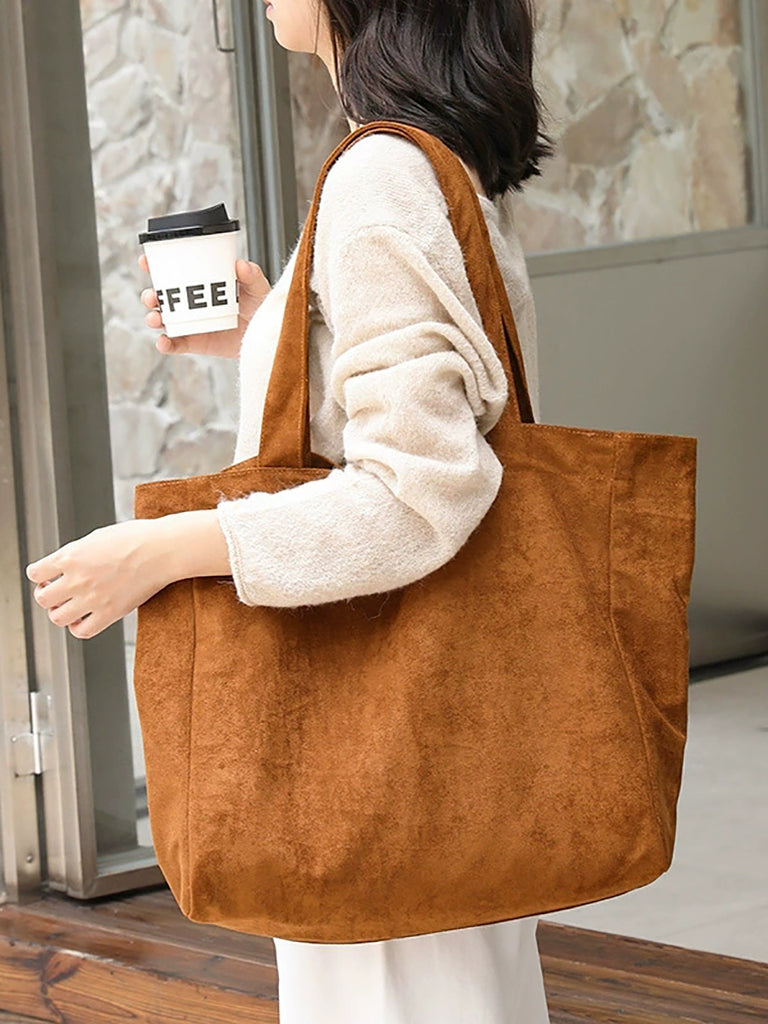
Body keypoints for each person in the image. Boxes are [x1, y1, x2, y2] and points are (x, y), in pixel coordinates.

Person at [26, 0, 554, 1020]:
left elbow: (420, 487)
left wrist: (163, 550)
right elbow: (433, 420)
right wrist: (274, 333)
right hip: (436, 735)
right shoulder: (425, 158)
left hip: (380, 746)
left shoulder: (381, 174)